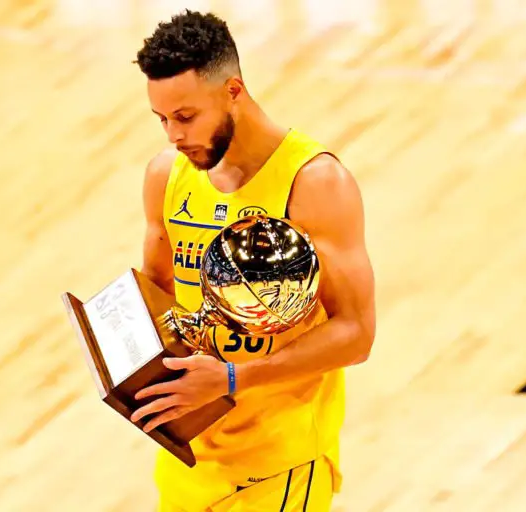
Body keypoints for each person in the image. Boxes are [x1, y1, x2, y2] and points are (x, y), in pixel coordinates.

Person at [129, 9, 376, 511]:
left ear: (233, 91)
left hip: (280, 464)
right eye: (162, 119)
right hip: (189, 459)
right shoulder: (166, 177)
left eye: (186, 117)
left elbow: (356, 334)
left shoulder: (314, 183)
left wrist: (233, 378)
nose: (173, 135)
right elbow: (156, 299)